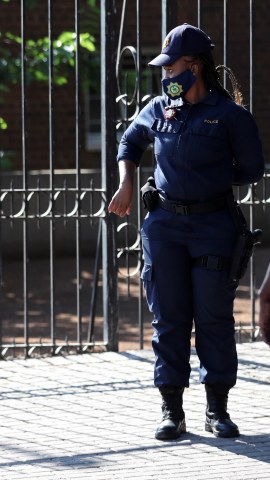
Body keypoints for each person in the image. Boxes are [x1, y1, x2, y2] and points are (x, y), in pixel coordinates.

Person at [108, 23, 264, 441]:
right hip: (164, 227)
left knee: (213, 318)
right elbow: (129, 143)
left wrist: (207, 175)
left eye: (170, 67)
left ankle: (218, 410)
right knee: (169, 319)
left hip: (213, 226)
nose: (164, 76)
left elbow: (250, 169)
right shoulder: (159, 107)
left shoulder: (231, 115)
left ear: (193, 67)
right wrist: (126, 181)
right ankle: (171, 410)